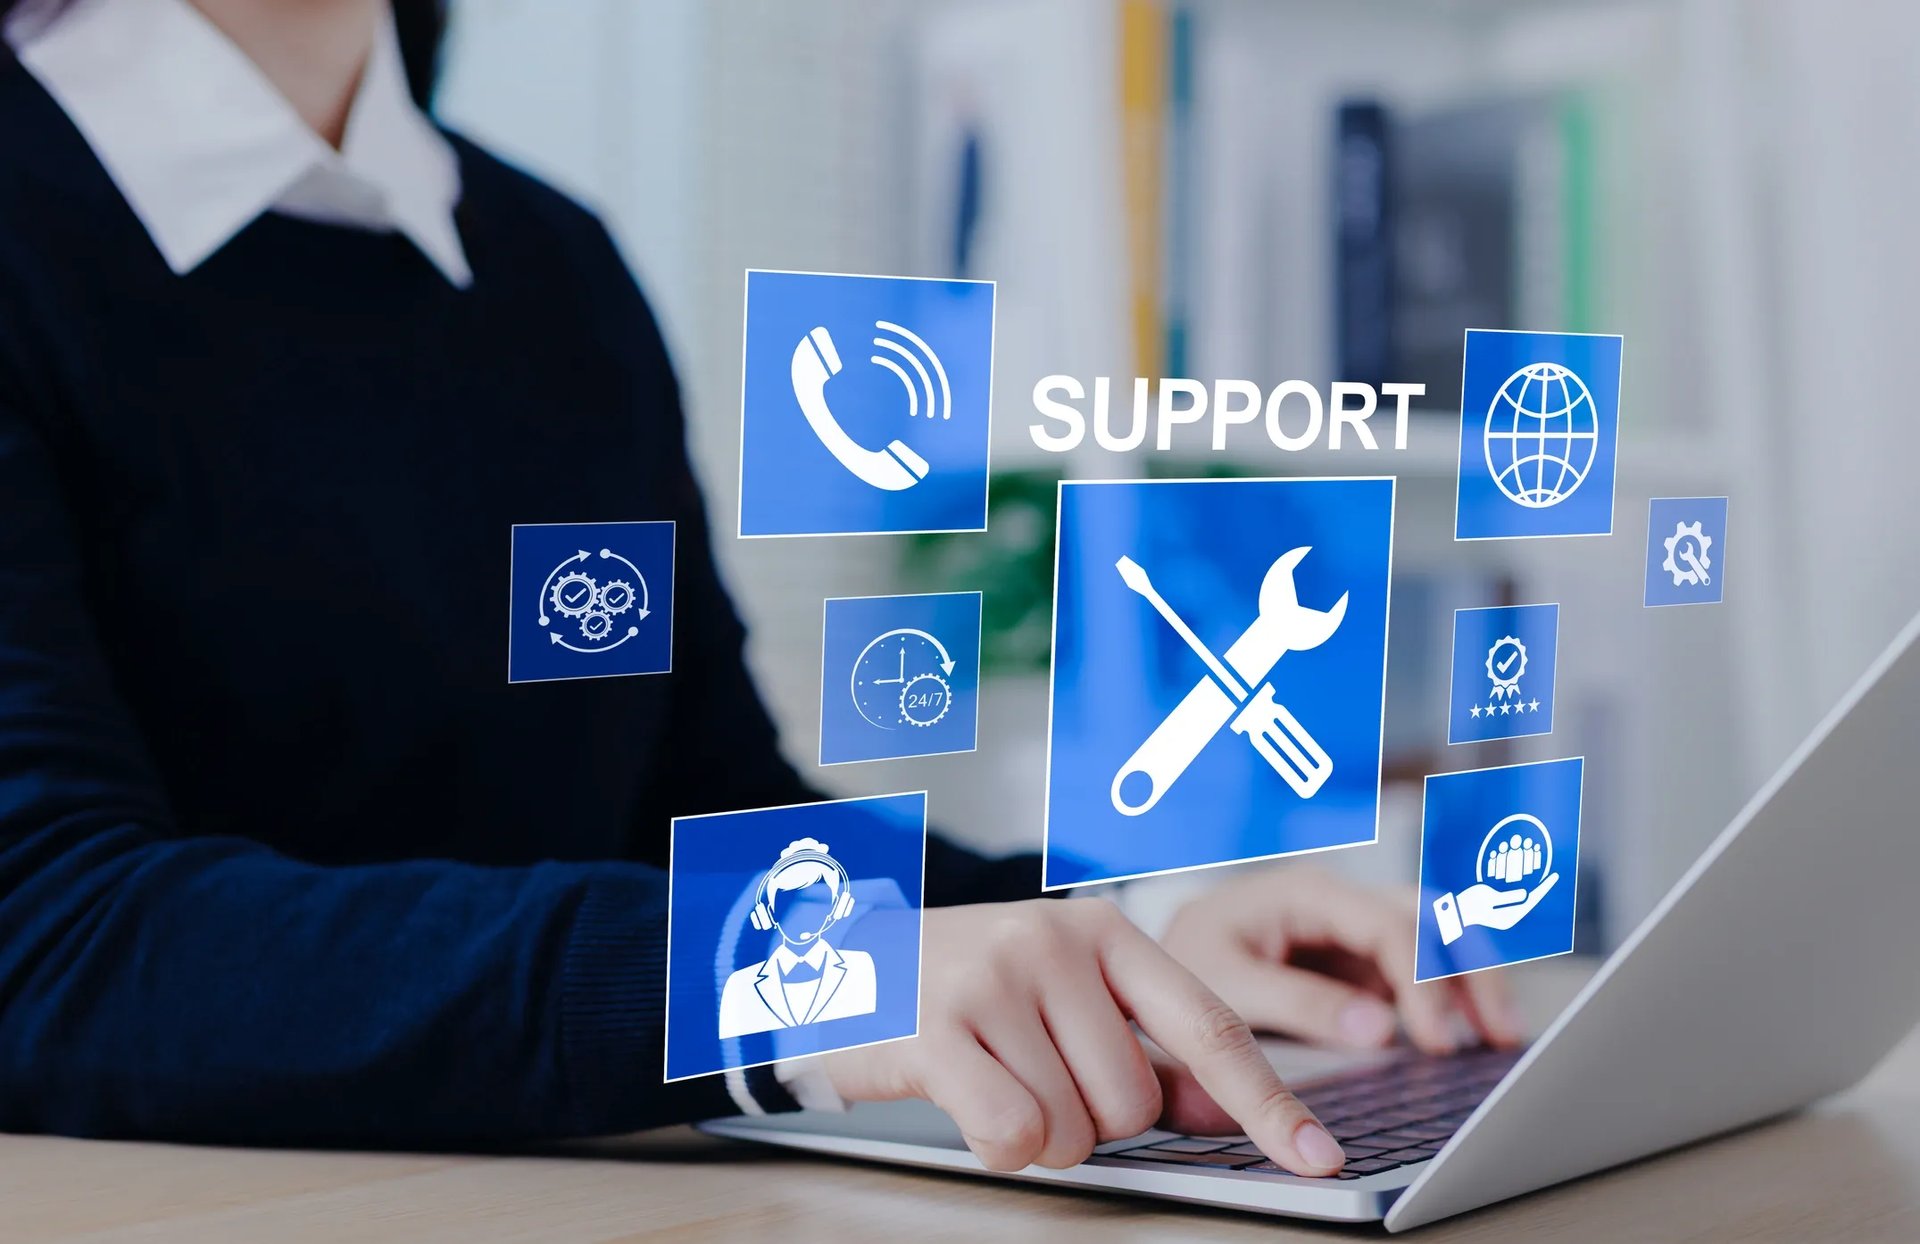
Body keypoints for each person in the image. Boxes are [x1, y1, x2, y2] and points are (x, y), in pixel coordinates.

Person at [0, 0, 1519, 1177]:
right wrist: (800, 978)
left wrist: (1139, 929)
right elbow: (44, 941)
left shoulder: (553, 272)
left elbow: (712, 819)